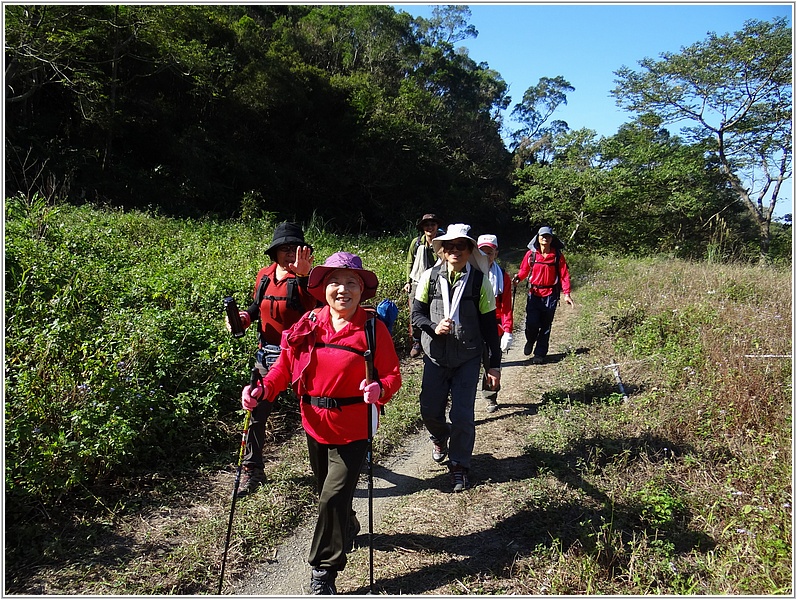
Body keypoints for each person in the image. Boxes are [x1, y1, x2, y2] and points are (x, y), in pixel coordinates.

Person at [241, 252, 401, 595]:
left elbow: (391, 375)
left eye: (351, 283)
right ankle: (349, 523)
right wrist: (262, 389)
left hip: (356, 426)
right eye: (335, 283)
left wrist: (379, 389)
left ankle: (323, 570)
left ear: (362, 290)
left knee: (331, 497)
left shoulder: (373, 328)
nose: (342, 290)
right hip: (314, 424)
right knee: (328, 495)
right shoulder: (308, 323)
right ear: (322, 288)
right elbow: (283, 368)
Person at [226, 222, 317, 497]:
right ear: (274, 253)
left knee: (313, 412)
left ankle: (328, 465)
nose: (291, 254)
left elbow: (314, 306)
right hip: (267, 354)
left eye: (296, 248)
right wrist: (244, 317)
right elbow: (257, 306)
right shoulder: (264, 276)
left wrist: (303, 278)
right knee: (256, 411)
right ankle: (252, 469)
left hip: (301, 356)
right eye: (284, 249)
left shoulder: (312, 279)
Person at [411, 223, 501, 492]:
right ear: (442, 250)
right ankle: (439, 436)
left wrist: (493, 365)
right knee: (429, 409)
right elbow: (416, 315)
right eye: (449, 246)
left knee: (463, 415)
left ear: (469, 250)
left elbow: (489, 328)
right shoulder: (429, 277)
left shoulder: (478, 282)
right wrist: (432, 328)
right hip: (435, 356)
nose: (454, 251)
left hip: (468, 357)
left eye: (460, 246)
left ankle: (459, 466)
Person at [512, 226, 574, 364]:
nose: (545, 238)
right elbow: (524, 270)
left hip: (551, 294)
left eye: (548, 236)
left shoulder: (557, 256)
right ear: (537, 238)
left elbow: (564, 275)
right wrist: (518, 278)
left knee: (546, 326)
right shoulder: (531, 254)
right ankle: (530, 340)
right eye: (542, 236)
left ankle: (540, 354)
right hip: (534, 294)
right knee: (531, 323)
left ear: (552, 239)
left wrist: (567, 294)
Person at [476, 234, 514, 413]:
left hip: (495, 325)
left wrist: (508, 331)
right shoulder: (470, 272)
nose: (486, 256)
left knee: (491, 361)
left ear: (496, 253)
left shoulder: (502, 277)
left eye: (489, 252)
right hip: (473, 325)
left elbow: (506, 306)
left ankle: (490, 396)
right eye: (482, 252)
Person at [403, 213, 445, 358]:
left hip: (439, 281)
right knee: (415, 313)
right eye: (426, 225)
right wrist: (407, 282)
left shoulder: (443, 241)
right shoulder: (417, 243)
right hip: (418, 281)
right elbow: (410, 262)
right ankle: (416, 341)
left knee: (436, 310)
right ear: (422, 227)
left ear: (437, 226)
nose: (429, 227)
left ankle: (434, 339)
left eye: (432, 224)